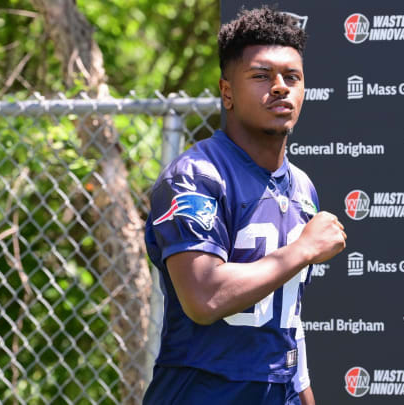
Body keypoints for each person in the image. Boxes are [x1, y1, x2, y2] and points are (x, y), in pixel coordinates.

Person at [143, 7, 347, 405]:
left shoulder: (302, 186)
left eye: (292, 77)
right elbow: (205, 298)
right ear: (227, 92)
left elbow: (287, 319)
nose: (279, 87)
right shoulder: (196, 176)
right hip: (204, 393)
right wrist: (303, 249)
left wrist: (304, 394)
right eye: (261, 75)